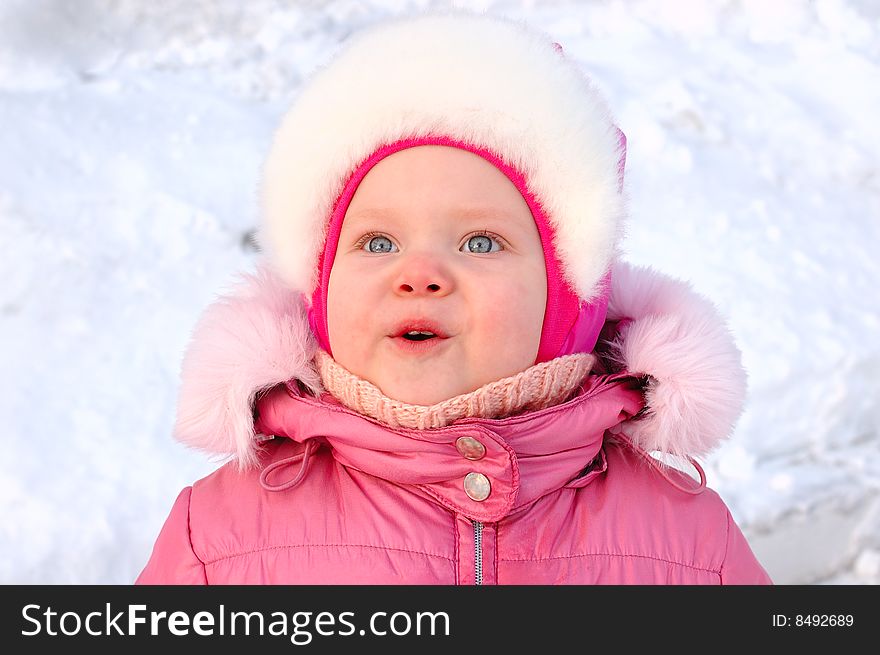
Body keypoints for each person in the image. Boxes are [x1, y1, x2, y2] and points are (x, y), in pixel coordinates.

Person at [136, 9, 772, 585]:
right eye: (378, 242)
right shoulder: (219, 540)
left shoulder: (687, 544)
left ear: (568, 303)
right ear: (320, 292)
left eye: (480, 242)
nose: (419, 274)